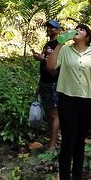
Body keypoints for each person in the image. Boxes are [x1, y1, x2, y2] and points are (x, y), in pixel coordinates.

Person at [47, 23, 91, 180]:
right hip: (67, 99)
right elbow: (51, 66)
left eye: (81, 30)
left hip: (87, 101)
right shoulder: (65, 50)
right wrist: (60, 43)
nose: (77, 31)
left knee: (80, 141)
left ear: (87, 36)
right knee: (68, 141)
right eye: (76, 29)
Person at [31, 19, 61, 152]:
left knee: (54, 114)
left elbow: (53, 67)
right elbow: (44, 66)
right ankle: (52, 139)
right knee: (49, 113)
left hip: (54, 83)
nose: (49, 29)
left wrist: (42, 59)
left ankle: (53, 145)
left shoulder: (59, 45)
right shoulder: (47, 44)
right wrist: (39, 84)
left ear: (58, 30)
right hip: (45, 82)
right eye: (48, 27)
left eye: (52, 28)